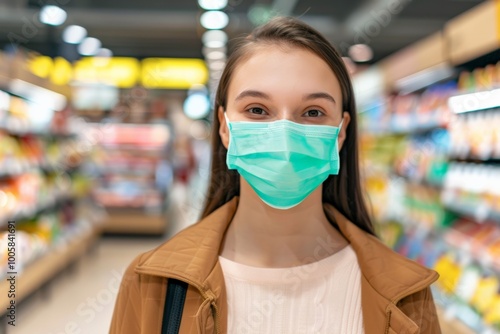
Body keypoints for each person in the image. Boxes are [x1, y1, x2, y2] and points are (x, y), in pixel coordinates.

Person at [110, 17, 441, 334]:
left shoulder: (406, 296)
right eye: (257, 110)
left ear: (340, 134)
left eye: (312, 112)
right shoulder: (153, 284)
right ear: (225, 128)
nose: (284, 133)